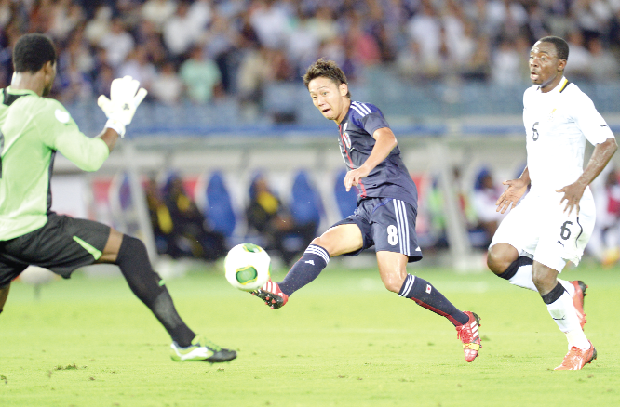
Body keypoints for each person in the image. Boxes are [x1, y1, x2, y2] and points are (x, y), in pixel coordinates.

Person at [0, 34, 235, 363]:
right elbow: (91, 158)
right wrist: (117, 122)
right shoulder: (42, 110)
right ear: (48, 68)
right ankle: (185, 343)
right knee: (130, 249)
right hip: (31, 229)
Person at [252, 58, 482, 363]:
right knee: (323, 244)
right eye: (314, 96)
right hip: (368, 207)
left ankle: (464, 321)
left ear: (343, 89)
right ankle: (282, 291)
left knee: (394, 280)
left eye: (325, 92)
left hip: (391, 200)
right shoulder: (342, 126)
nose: (320, 100)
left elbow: (387, 137)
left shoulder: (361, 111)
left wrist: (366, 166)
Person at [487, 36, 617, 371]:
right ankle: (569, 290)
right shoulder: (530, 96)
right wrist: (523, 180)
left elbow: (607, 143)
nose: (534, 61)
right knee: (498, 258)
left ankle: (580, 347)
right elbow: (540, 146)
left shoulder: (574, 99)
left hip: (568, 200)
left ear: (561, 64)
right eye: (532, 55)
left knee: (544, 274)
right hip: (538, 197)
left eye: (543, 56)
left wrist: (580, 183)